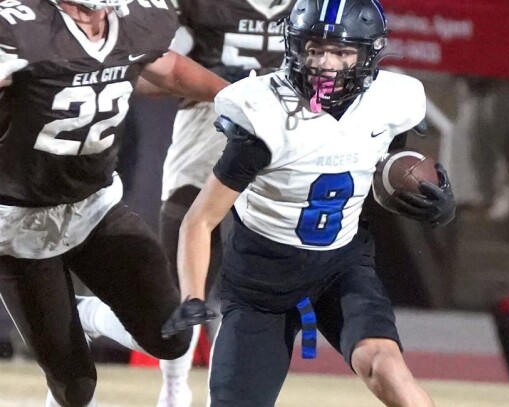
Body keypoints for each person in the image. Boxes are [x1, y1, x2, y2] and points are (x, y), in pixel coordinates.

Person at [161, 0, 455, 406]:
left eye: (341, 51)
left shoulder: (391, 100)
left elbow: (376, 172)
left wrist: (431, 204)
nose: (325, 63)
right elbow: (199, 220)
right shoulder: (265, 114)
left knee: (383, 364)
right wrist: (192, 295)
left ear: (368, 54)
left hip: (341, 267)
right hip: (261, 281)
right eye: (314, 48)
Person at [0, 0, 227, 406]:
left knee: (173, 336)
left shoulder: (135, 22)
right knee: (75, 387)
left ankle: (87, 315)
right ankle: (72, 325)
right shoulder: (21, 27)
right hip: (17, 224)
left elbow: (167, 68)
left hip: (95, 207)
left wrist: (234, 100)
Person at [156, 1, 295, 406]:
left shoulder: (313, 7)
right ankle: (174, 385)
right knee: (179, 272)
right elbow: (148, 73)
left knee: (253, 280)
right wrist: (219, 86)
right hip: (207, 127)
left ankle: (231, 391)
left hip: (282, 135)